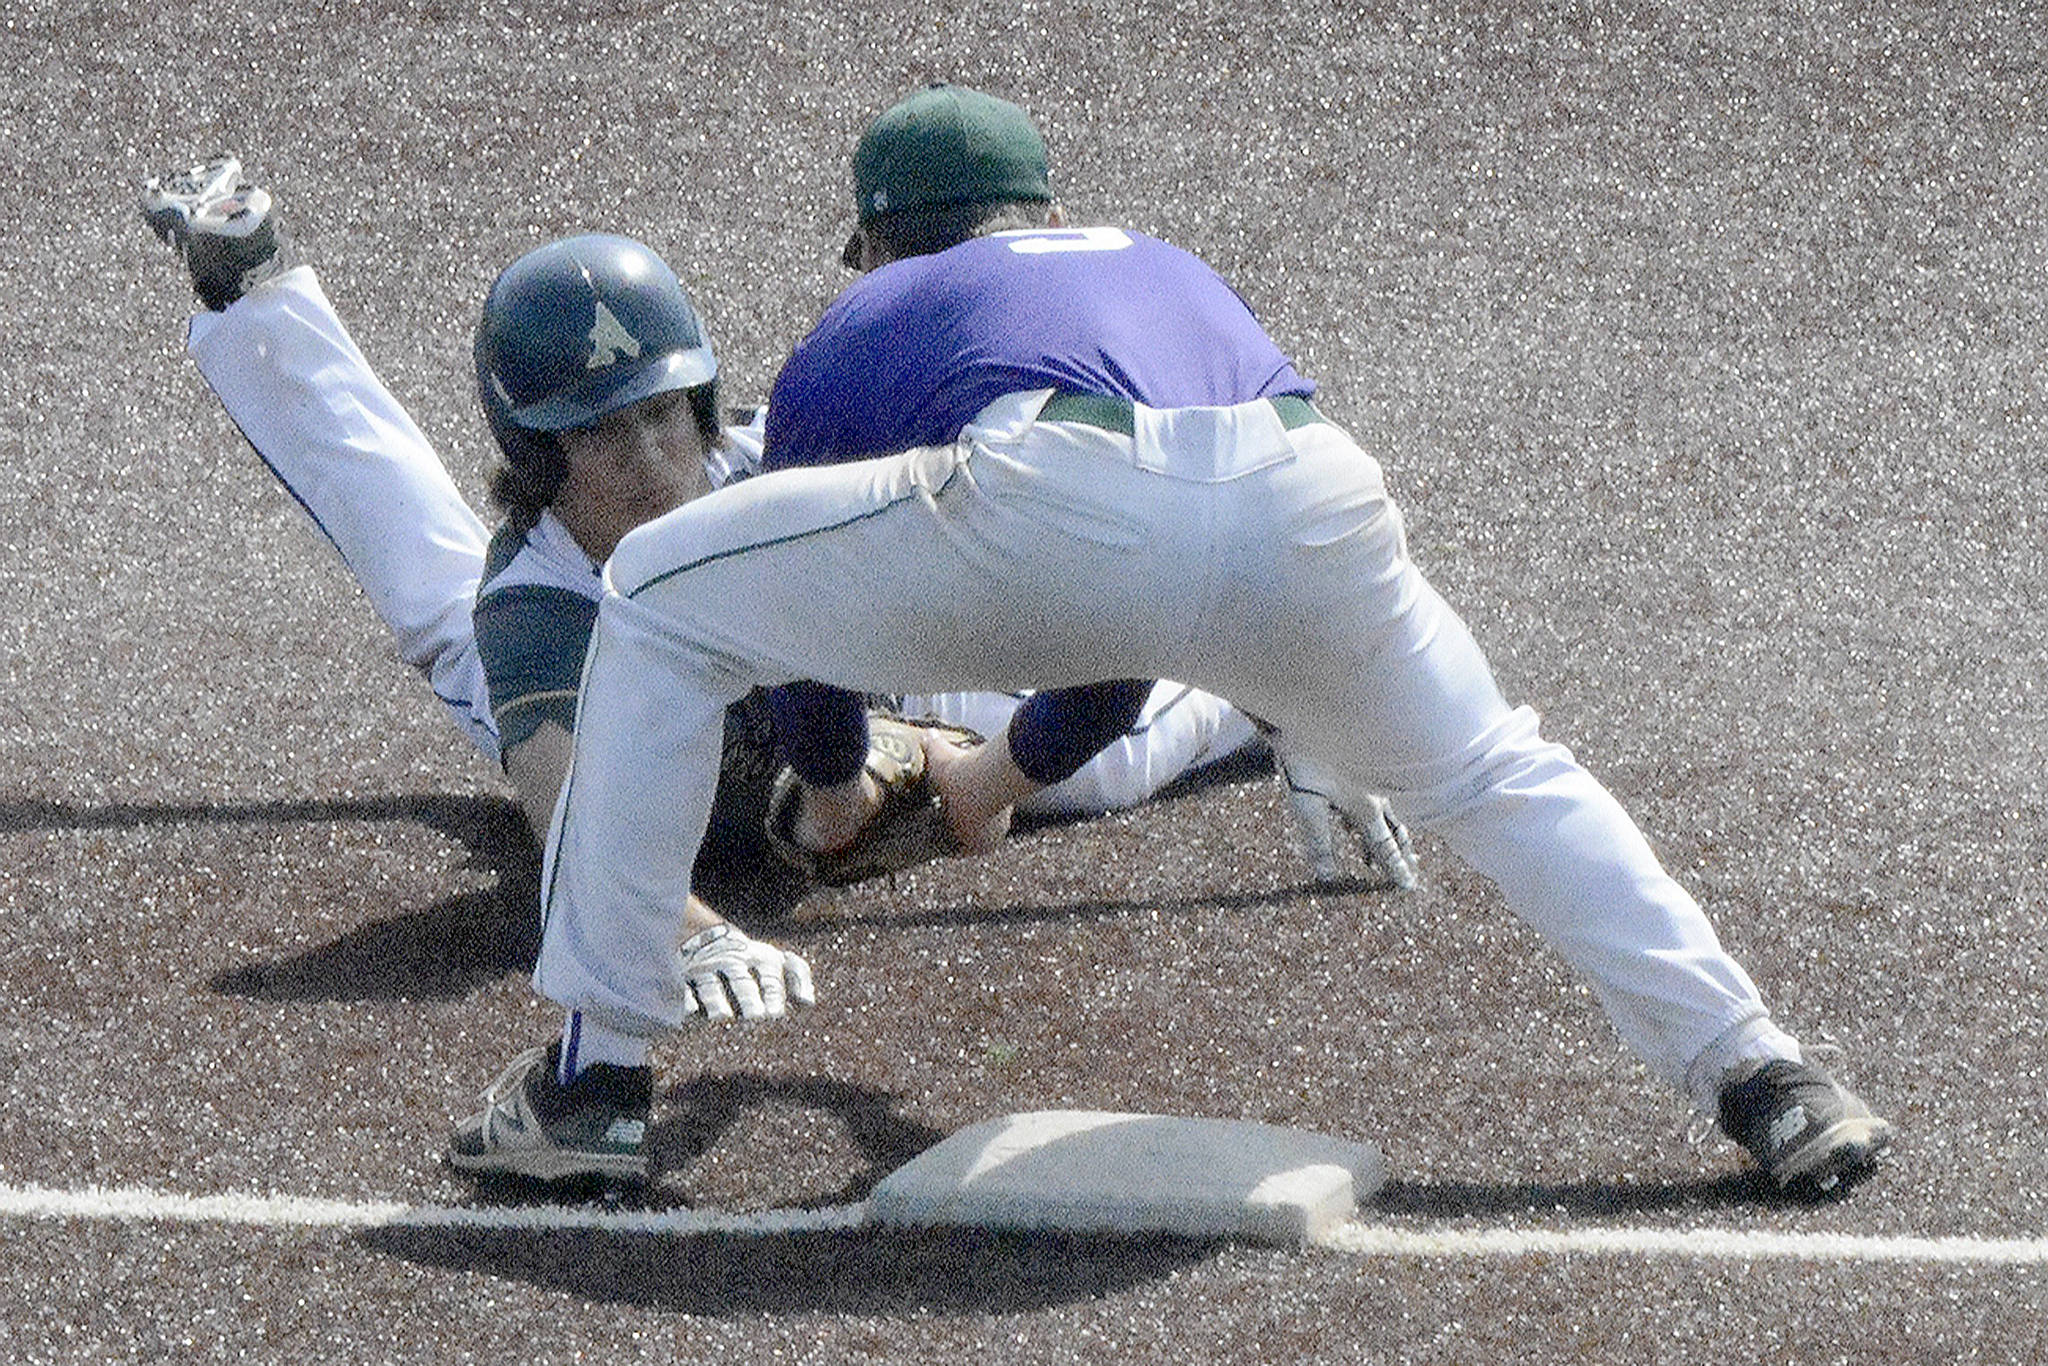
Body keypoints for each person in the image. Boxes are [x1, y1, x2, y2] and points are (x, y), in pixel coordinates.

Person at [461, 84, 1894, 1199]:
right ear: (1033, 207)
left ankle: (593, 1084)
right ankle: (1760, 1071)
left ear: (884, 240)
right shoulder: (1158, 267)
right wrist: (998, 778)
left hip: (1051, 497)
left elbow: (803, 639)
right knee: (1498, 770)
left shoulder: (873, 311)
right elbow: (1152, 596)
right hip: (1314, 492)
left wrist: (834, 792)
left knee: (656, 586)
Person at [136, 156, 1415, 884]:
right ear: (538, 451)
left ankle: (1280, 698)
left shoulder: (770, 458)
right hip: (633, 687)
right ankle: (250, 289)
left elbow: (1062, 529)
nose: (646, 458)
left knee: (1097, 752)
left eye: (662, 417)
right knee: (421, 569)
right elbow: (576, 822)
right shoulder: (535, 606)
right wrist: (682, 937)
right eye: (595, 432)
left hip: (823, 677)